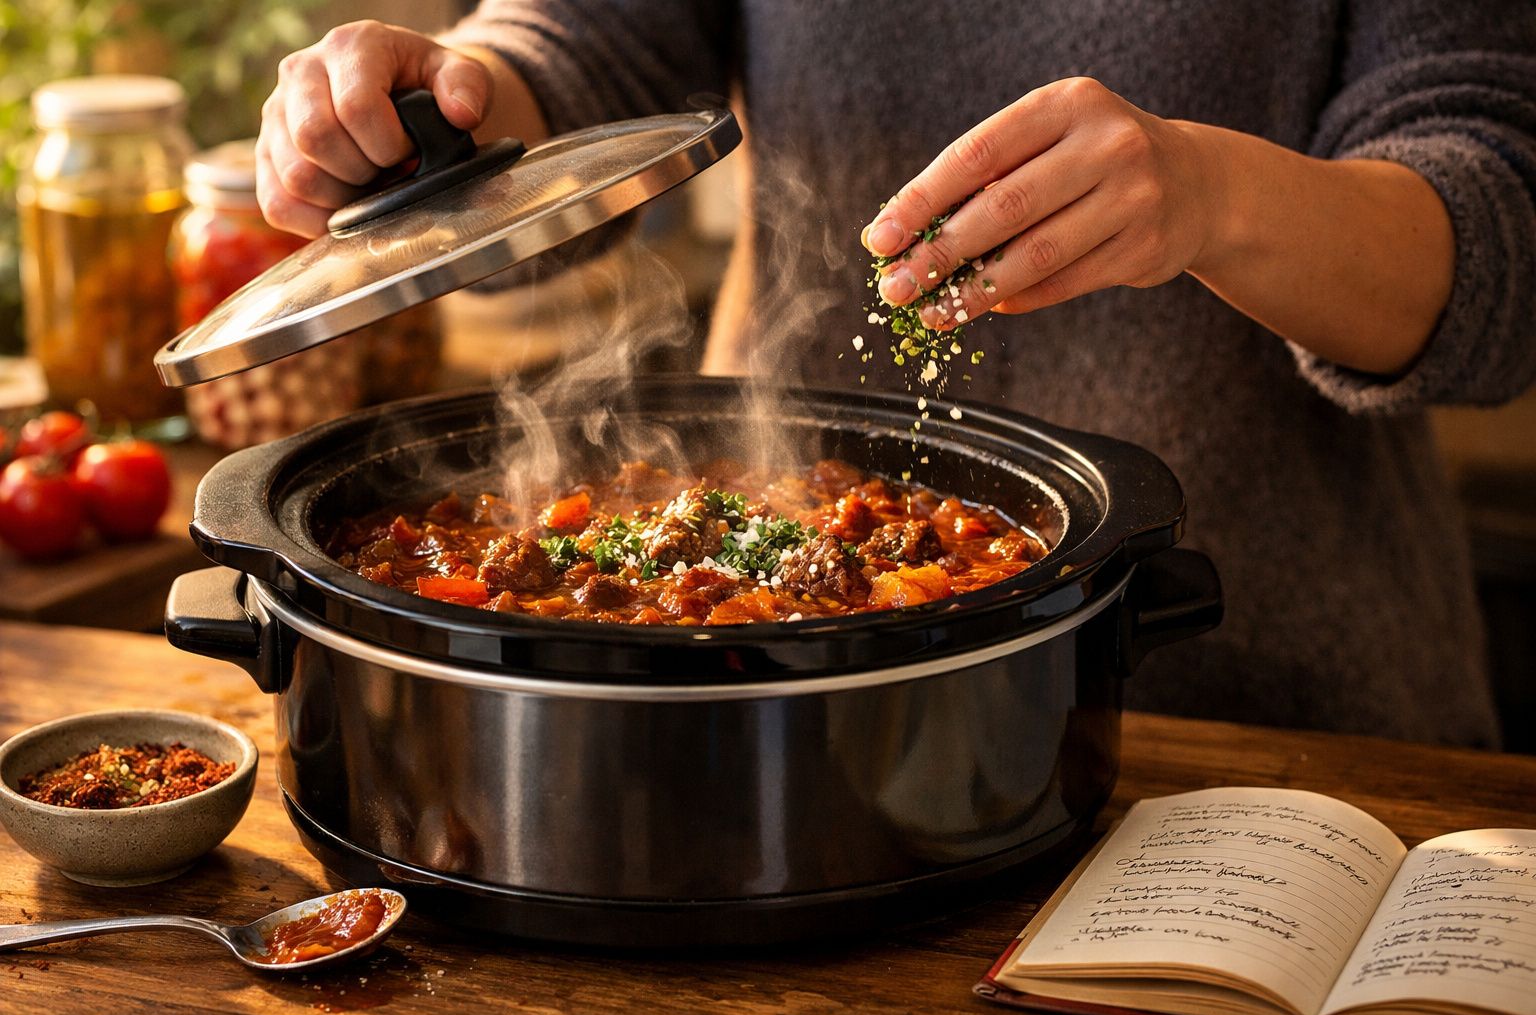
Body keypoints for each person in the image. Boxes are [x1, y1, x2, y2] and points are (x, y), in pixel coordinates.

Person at [256, 2, 1536, 747]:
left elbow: (1501, 236)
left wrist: (1212, 197)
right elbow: (589, 43)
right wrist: (444, 112)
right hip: (750, 722)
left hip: (1280, 720)